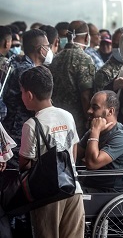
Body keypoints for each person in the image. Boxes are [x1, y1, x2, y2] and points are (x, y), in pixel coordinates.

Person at [18, 65, 84, 238]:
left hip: (47, 196)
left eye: (22, 92)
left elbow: (24, 162)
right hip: (73, 189)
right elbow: (74, 151)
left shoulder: (31, 125)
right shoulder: (67, 115)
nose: (22, 96)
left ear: (29, 95)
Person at [3, 29, 50, 167]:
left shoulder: (18, 64)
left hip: (13, 129)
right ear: (41, 49)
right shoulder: (28, 72)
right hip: (19, 131)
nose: (49, 49)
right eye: (47, 46)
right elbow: (39, 103)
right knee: (16, 176)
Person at [77, 90, 123, 192]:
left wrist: (95, 132)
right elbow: (75, 154)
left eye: (95, 107)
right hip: (87, 185)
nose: (89, 111)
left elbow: (92, 163)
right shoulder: (96, 130)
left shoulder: (122, 137)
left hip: (106, 191)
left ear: (110, 111)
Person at [50, 21, 96, 138]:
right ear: (87, 37)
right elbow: (85, 96)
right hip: (76, 121)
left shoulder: (56, 58)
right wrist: (89, 118)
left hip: (56, 118)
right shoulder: (85, 59)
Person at [94, 27, 123, 92]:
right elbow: (99, 98)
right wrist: (113, 86)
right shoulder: (104, 73)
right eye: (115, 45)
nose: (117, 48)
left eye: (121, 45)